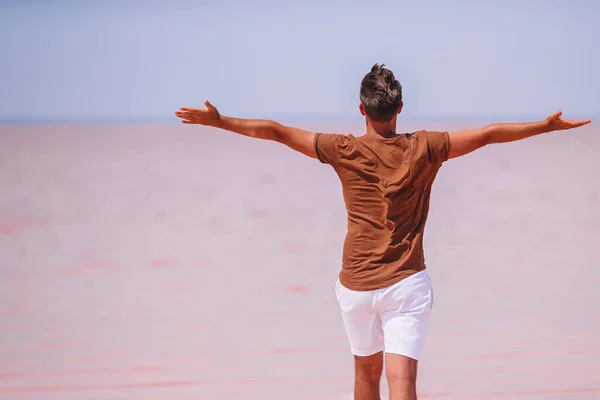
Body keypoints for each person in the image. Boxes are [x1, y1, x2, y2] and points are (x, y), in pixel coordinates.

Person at [174, 63, 591, 400]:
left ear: (361, 110)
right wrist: (543, 127)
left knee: (365, 375)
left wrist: (220, 121)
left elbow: (278, 132)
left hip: (355, 284)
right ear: (400, 108)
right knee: (403, 382)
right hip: (407, 283)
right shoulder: (425, 147)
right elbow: (485, 136)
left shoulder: (341, 149)